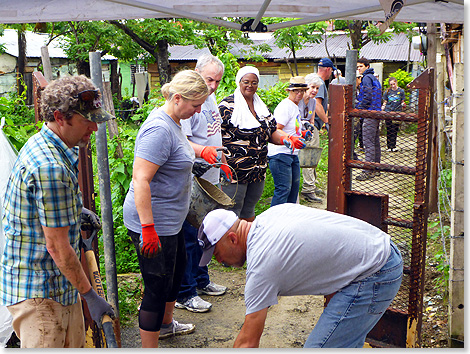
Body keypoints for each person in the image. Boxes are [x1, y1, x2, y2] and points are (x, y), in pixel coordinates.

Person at [0, 75, 115, 348]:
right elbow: (58, 247)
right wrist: (90, 296)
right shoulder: (50, 168)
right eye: (87, 121)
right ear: (60, 117)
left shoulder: (47, 144)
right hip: (41, 292)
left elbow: (43, 212)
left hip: (57, 285)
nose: (94, 128)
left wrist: (75, 211)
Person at [197, 204, 403, 348]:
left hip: (376, 273)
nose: (219, 261)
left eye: (216, 254)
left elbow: (248, 342)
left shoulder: (262, 265)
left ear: (232, 239)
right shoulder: (270, 216)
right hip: (378, 252)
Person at [123, 70, 209, 347]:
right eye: (195, 106)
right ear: (177, 98)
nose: (197, 112)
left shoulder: (174, 121)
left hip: (170, 220)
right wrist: (148, 228)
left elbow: (176, 147)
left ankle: (166, 325)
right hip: (152, 222)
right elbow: (141, 179)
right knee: (157, 287)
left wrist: (199, 151)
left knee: (174, 276)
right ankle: (149, 347)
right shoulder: (158, 128)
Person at [176, 54, 229, 313]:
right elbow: (183, 141)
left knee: (203, 234)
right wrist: (203, 152)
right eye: (209, 79)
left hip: (210, 179)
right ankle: (185, 293)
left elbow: (213, 133)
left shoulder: (211, 99)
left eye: (218, 81)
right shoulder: (190, 102)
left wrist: (221, 158)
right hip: (193, 183)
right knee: (188, 236)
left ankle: (201, 280)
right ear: (196, 73)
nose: (213, 86)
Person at [218, 66, 294, 221]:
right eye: (246, 82)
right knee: (231, 213)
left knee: (249, 210)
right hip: (234, 172)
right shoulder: (227, 106)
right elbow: (215, 136)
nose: (250, 86)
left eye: (254, 82)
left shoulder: (261, 106)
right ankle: (231, 243)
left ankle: (247, 243)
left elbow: (271, 132)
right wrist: (222, 164)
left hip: (257, 171)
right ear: (239, 82)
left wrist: (286, 140)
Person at [267, 76, 308, 206]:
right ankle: (272, 221)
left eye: (302, 91)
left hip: (292, 153)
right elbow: (276, 130)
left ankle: (288, 219)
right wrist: (290, 138)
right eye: (296, 91)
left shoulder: (295, 106)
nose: (299, 94)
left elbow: (291, 128)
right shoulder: (285, 106)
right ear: (289, 91)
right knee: (283, 190)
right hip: (280, 153)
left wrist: (302, 133)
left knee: (294, 190)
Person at [298, 73, 325, 203]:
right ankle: (308, 189)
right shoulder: (298, 100)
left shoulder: (313, 101)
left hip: (309, 130)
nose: (314, 90)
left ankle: (311, 185)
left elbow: (312, 119)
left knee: (313, 157)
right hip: (298, 132)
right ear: (305, 87)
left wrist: (312, 129)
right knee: (307, 159)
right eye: (312, 87)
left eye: (317, 88)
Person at [355, 57, 382, 181]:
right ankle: (376, 168)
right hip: (377, 112)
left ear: (367, 66)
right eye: (357, 67)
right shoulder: (374, 78)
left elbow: (367, 96)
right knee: (375, 141)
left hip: (369, 113)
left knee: (368, 142)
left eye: (360, 66)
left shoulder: (366, 78)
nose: (358, 69)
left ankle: (368, 170)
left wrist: (360, 109)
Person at [382, 76, 405, 152]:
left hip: (397, 111)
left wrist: (403, 104)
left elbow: (402, 101)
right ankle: (389, 146)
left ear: (396, 83)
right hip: (388, 111)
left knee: (395, 129)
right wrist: (383, 108)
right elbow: (385, 101)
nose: (393, 86)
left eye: (394, 84)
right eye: (391, 84)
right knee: (389, 129)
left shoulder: (401, 91)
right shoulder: (387, 92)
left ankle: (393, 145)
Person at [314, 58, 335, 134]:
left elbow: (321, 104)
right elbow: (317, 104)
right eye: (331, 71)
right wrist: (326, 122)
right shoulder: (319, 83)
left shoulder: (313, 79)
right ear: (328, 69)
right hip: (313, 125)